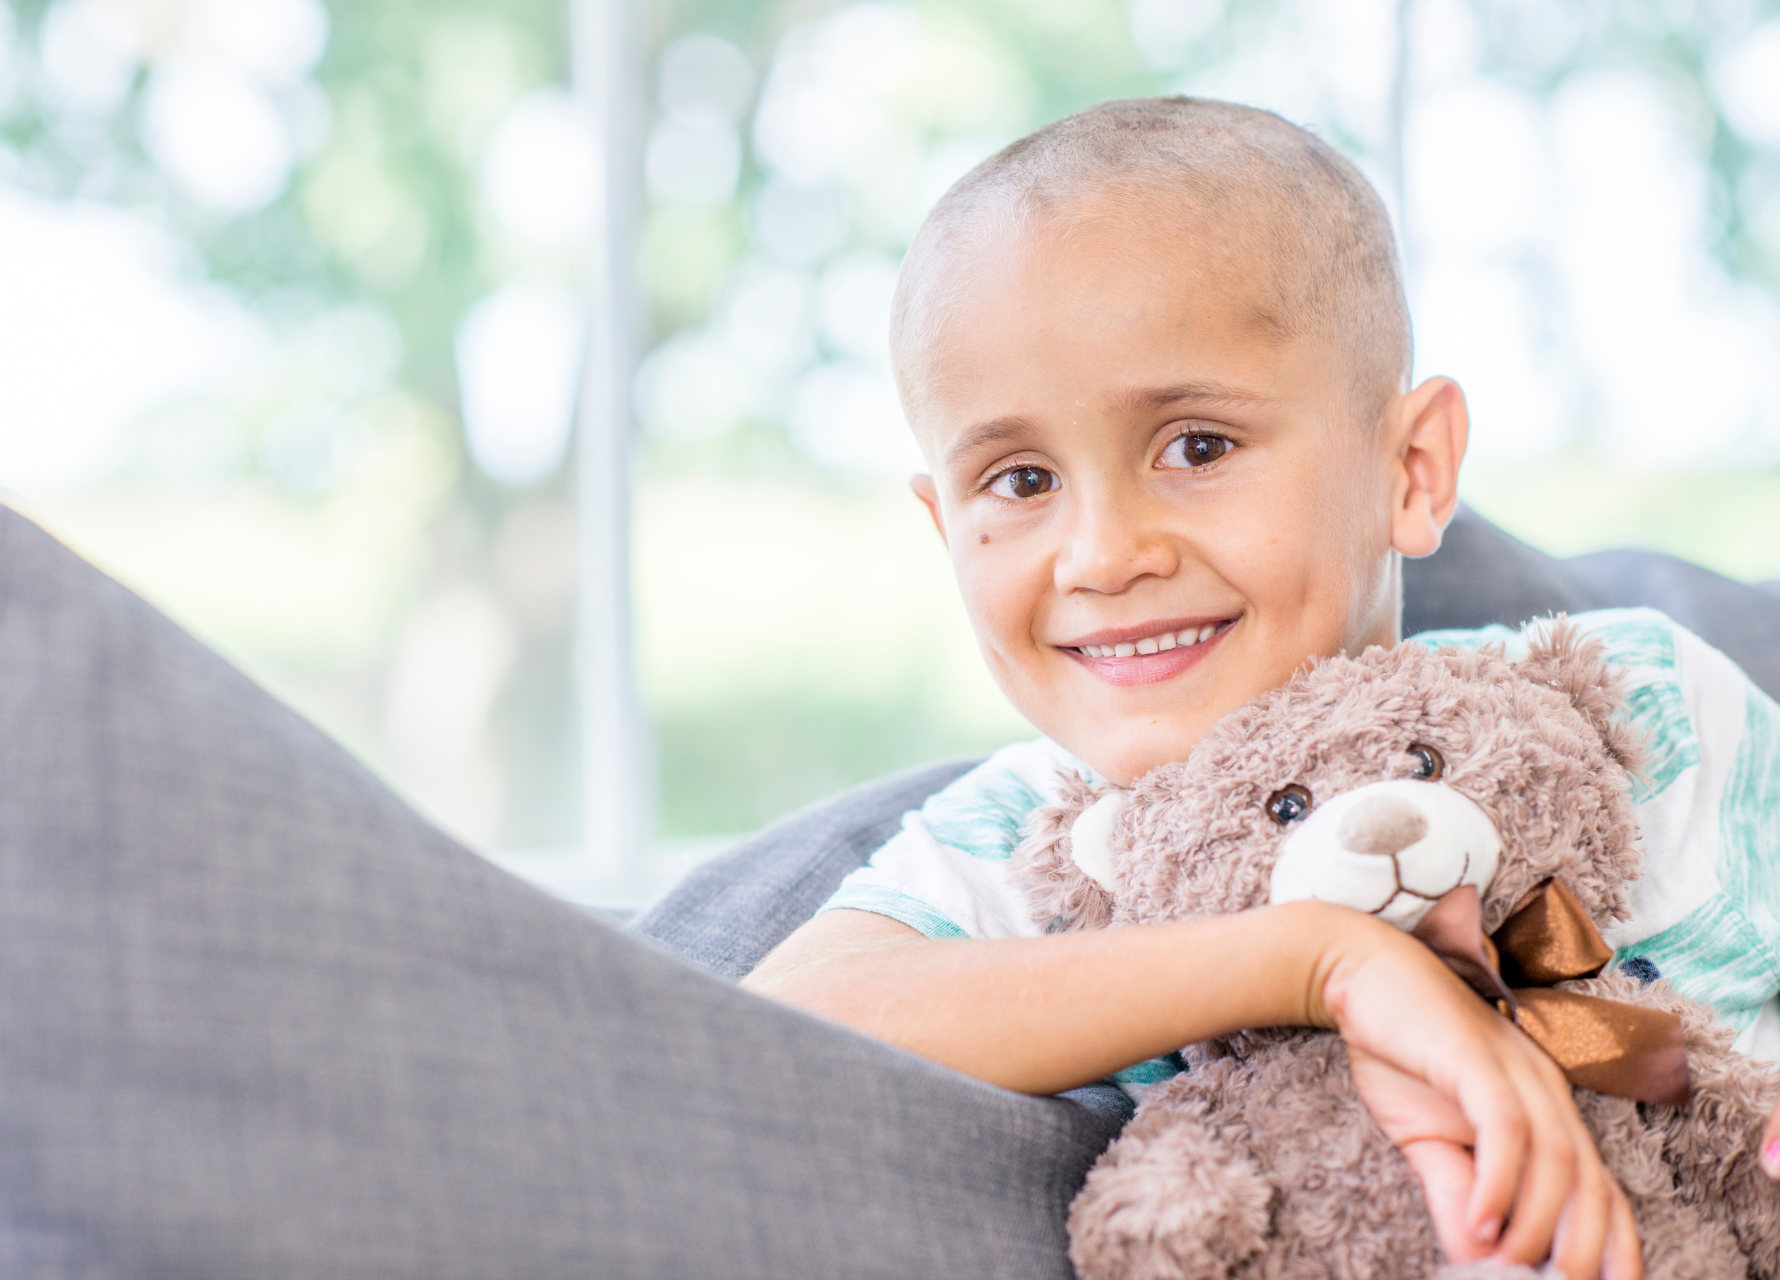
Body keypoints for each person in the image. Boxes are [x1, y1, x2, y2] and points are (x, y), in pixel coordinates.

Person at [743, 97, 1780, 1279]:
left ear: (1411, 467)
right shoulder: (1043, 831)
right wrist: (1321, 960)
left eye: (1195, 446)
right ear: (943, 527)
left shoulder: (1635, 707)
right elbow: (785, 1016)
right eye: (1019, 478)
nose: (1099, 553)